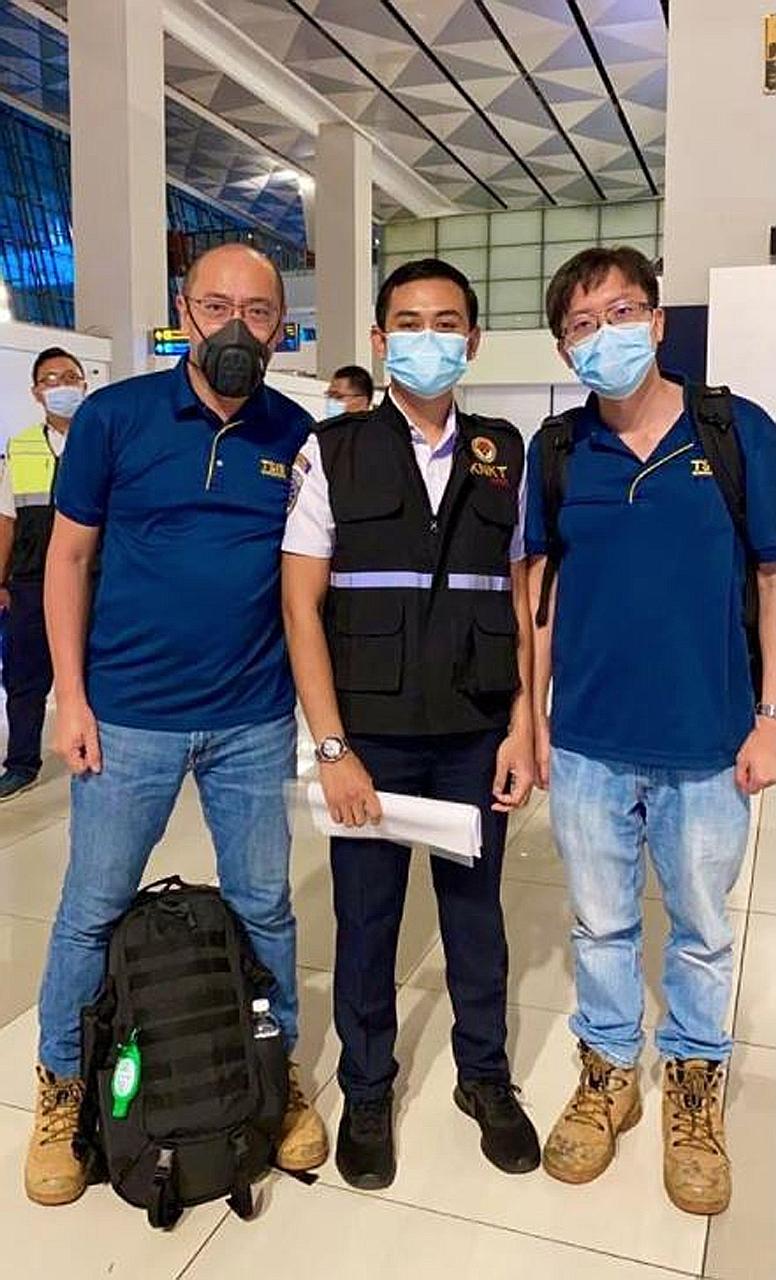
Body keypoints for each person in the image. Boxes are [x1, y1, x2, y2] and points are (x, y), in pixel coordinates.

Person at [24, 243, 327, 1207]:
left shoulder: (297, 431)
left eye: (260, 311)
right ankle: (63, 1087)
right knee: (91, 906)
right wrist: (70, 696)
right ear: (182, 311)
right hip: (129, 717)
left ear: (284, 325)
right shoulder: (116, 418)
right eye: (217, 305)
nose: (238, 327)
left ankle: (270, 1077)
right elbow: (66, 562)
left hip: (250, 716)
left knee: (267, 906)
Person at [526, 245, 776, 1216]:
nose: (605, 335)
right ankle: (605, 1075)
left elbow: (768, 577)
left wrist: (768, 716)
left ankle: (693, 1091)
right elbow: (534, 595)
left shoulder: (733, 431)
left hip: (708, 738)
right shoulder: (555, 452)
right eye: (583, 324)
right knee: (599, 921)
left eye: (621, 312)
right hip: (586, 739)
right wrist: (528, 715)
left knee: (705, 932)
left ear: (658, 321)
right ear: (562, 345)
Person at [282, 257, 540, 1190]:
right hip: (373, 736)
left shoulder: (505, 453)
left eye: (447, 323)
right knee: (367, 917)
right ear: (383, 340)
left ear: (470, 341)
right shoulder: (332, 451)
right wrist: (333, 750)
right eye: (409, 322)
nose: (429, 338)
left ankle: (485, 1076)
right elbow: (301, 607)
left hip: (476, 729)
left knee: (477, 915)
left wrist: (521, 727)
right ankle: (366, 1087)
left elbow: (516, 597)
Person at [0, 348, 87, 803]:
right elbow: (5, 521)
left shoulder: (101, 441)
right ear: (37, 392)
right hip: (31, 582)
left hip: (93, 581)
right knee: (24, 676)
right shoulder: (20, 446)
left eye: (70, 377)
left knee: (97, 671)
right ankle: (20, 763)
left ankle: (98, 753)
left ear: (84, 385)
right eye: (51, 379)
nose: (62, 386)